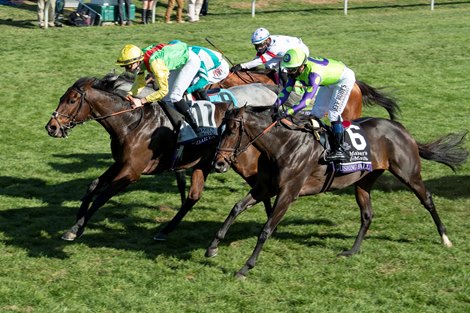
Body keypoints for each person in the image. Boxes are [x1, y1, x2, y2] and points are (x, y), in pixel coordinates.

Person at [275, 48, 356, 162]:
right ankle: (322, 140)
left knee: (334, 113)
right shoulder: (295, 71)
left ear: (302, 66)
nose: (289, 72)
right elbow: (286, 90)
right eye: (288, 69)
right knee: (316, 113)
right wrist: (275, 105)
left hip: (343, 80)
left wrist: (288, 112)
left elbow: (305, 102)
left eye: (292, 69)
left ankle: (339, 150)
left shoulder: (314, 74)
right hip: (328, 81)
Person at [115, 41, 202, 135]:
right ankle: (179, 124)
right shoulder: (141, 60)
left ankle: (196, 128)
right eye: (124, 67)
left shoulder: (155, 64)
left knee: (174, 95)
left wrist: (142, 101)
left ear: (137, 61)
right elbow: (140, 82)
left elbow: (163, 91)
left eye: (128, 66)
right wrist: (130, 94)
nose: (127, 70)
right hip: (176, 62)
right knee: (167, 99)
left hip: (190, 61)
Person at [230, 28, 310, 86]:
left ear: (267, 40)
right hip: (288, 51)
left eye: (260, 45)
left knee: (282, 68)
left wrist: (241, 66)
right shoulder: (267, 41)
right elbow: (257, 58)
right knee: (269, 65)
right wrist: (246, 67)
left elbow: (260, 61)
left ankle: (288, 89)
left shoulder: (275, 47)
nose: (258, 47)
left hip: (300, 53)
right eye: (256, 45)